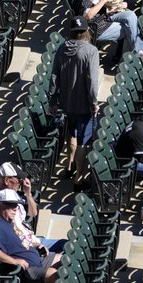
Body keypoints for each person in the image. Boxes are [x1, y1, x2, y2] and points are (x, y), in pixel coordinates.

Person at [54, 16, 101, 180]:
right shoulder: (91, 51)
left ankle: (69, 165)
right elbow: (92, 81)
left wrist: (53, 101)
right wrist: (94, 103)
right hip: (84, 105)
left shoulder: (61, 48)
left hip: (66, 102)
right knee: (83, 141)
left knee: (71, 133)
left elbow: (54, 77)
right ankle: (78, 177)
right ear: (86, 31)